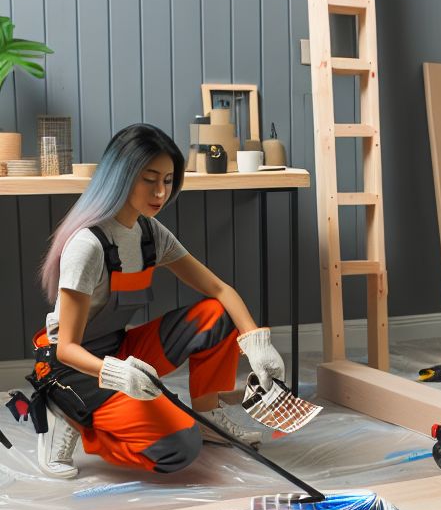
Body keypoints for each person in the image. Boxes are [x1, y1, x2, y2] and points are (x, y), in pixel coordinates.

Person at [33, 123, 287, 479]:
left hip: (118, 348)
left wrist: (257, 343)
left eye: (167, 180)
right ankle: (71, 415)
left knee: (217, 314)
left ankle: (207, 414)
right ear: (121, 177)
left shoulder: (150, 233)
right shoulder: (88, 245)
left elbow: (219, 290)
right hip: (73, 368)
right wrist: (116, 373)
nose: (160, 192)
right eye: (148, 179)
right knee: (178, 448)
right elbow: (66, 349)